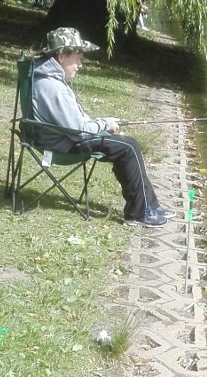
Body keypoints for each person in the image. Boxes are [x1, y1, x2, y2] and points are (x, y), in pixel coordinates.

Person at [31, 27, 169, 227]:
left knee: (126, 145)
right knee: (128, 147)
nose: (80, 65)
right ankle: (139, 213)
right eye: (77, 58)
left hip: (65, 137)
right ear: (61, 56)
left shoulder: (50, 80)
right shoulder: (51, 87)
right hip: (64, 144)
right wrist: (106, 124)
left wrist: (104, 124)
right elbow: (78, 130)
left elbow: (75, 122)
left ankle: (149, 205)